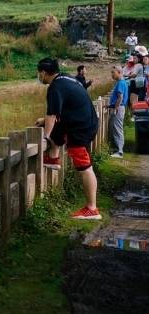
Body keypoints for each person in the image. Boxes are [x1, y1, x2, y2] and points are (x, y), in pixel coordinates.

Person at [35, 58, 100, 220]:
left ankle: (92, 209)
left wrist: (46, 137)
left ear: (43, 73)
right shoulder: (66, 78)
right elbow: (66, 107)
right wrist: (45, 121)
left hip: (80, 128)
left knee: (84, 167)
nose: (39, 76)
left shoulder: (55, 87)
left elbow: (52, 114)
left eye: (39, 73)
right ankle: (53, 158)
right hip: (86, 120)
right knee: (55, 124)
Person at [108, 67, 128, 158]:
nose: (112, 74)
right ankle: (117, 149)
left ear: (119, 72)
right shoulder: (122, 82)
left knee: (117, 129)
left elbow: (120, 97)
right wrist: (109, 106)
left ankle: (120, 152)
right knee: (117, 128)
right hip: (119, 107)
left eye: (113, 72)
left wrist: (115, 108)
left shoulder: (120, 83)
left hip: (119, 108)